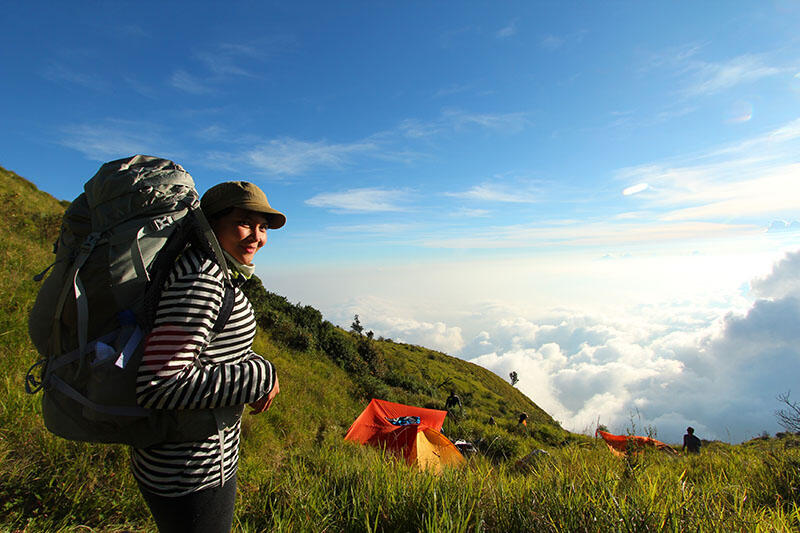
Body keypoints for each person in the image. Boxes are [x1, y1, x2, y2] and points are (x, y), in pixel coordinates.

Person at [132, 181, 285, 532]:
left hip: (180, 458)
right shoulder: (202, 279)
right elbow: (159, 385)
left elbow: (205, 351)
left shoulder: (208, 268)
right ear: (212, 223)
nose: (257, 237)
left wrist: (255, 364)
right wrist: (260, 376)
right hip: (189, 469)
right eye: (245, 222)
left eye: (262, 227)